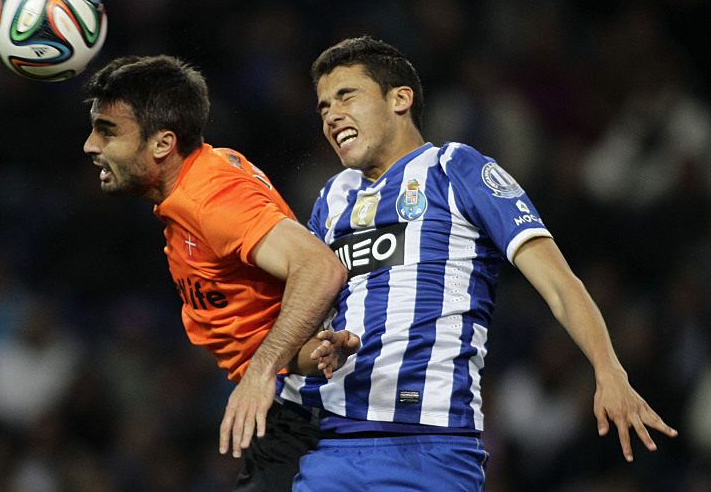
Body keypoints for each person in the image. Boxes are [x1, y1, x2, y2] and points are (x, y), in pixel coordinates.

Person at [276, 36, 678, 491]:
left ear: (400, 99)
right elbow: (300, 338)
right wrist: (319, 353)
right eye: (323, 106)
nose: (331, 115)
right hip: (332, 449)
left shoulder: (456, 170)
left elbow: (559, 284)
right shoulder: (331, 200)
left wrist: (608, 370)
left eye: (346, 96)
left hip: (429, 449)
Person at [81, 55, 357, 491]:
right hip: (295, 398)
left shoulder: (212, 198)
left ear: (162, 144)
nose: (90, 145)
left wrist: (260, 373)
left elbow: (320, 267)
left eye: (108, 131)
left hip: (304, 414)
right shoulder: (198, 180)